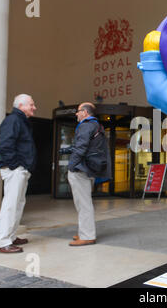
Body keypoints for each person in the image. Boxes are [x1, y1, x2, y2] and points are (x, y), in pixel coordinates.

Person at [0, 94, 37, 253]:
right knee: (10, 206)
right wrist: (15, 166)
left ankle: (11, 237)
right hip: (15, 169)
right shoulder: (13, 120)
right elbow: (6, 145)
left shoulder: (21, 121)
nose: (34, 107)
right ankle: (2, 242)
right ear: (21, 105)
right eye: (31, 105)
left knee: (18, 205)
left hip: (21, 169)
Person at [66, 102, 111, 246]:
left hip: (81, 169)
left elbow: (81, 148)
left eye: (78, 111)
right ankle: (84, 231)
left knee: (83, 203)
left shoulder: (86, 125)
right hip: (88, 169)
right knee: (83, 203)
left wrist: (71, 166)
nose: (76, 114)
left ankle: (87, 236)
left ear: (85, 112)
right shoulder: (96, 125)